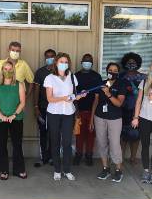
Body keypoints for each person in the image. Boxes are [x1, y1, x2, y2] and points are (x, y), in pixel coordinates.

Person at [0, 41, 34, 165]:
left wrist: (25, 97)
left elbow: (31, 81)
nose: (15, 52)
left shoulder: (24, 65)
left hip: (18, 106)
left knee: (16, 139)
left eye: (18, 50)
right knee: (1, 139)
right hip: (1, 106)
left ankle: (18, 164)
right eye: (13, 49)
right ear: (8, 49)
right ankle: (0, 160)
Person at [44, 52, 86, 181]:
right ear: (56, 63)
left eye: (66, 62)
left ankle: (67, 170)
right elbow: (50, 98)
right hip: (54, 114)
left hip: (69, 113)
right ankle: (57, 170)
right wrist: (64, 98)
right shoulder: (50, 78)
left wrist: (79, 96)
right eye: (61, 62)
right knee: (55, 142)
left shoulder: (72, 77)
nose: (64, 64)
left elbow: (74, 96)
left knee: (67, 143)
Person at [90, 62, 126, 183]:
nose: (112, 72)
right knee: (101, 143)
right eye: (110, 70)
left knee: (115, 144)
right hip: (99, 117)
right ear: (106, 71)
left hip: (114, 118)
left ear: (118, 72)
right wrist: (91, 119)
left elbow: (119, 103)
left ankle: (118, 170)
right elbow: (95, 101)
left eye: (115, 70)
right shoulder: (101, 83)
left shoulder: (121, 84)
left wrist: (108, 93)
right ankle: (105, 168)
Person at [0, 61, 27, 180]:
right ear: (2, 70)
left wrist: (14, 115)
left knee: (17, 144)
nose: (7, 71)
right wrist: (1, 115)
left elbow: (22, 102)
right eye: (5, 69)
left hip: (15, 119)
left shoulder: (19, 84)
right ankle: (4, 169)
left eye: (10, 69)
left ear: (13, 71)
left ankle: (19, 169)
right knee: (2, 145)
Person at [73, 53, 102, 166]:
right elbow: (73, 95)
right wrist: (76, 111)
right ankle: (78, 154)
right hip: (78, 110)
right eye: (85, 60)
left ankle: (89, 155)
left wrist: (93, 115)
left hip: (92, 111)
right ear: (81, 62)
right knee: (79, 135)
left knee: (90, 135)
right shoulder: (75, 76)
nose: (87, 62)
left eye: (89, 60)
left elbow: (97, 97)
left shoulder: (96, 76)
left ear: (92, 63)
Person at [120, 53, 147, 164]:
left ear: (138, 64)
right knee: (122, 135)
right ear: (124, 64)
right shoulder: (120, 76)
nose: (131, 64)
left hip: (137, 111)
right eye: (129, 62)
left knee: (135, 136)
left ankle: (133, 157)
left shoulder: (144, 78)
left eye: (134, 62)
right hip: (122, 109)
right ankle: (120, 157)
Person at [33, 48, 56, 167]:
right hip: (42, 107)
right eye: (47, 56)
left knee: (54, 133)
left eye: (52, 56)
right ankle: (43, 157)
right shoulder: (40, 72)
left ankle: (52, 157)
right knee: (43, 133)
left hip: (56, 109)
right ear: (45, 58)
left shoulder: (60, 72)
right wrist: (36, 107)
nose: (50, 58)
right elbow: (36, 91)